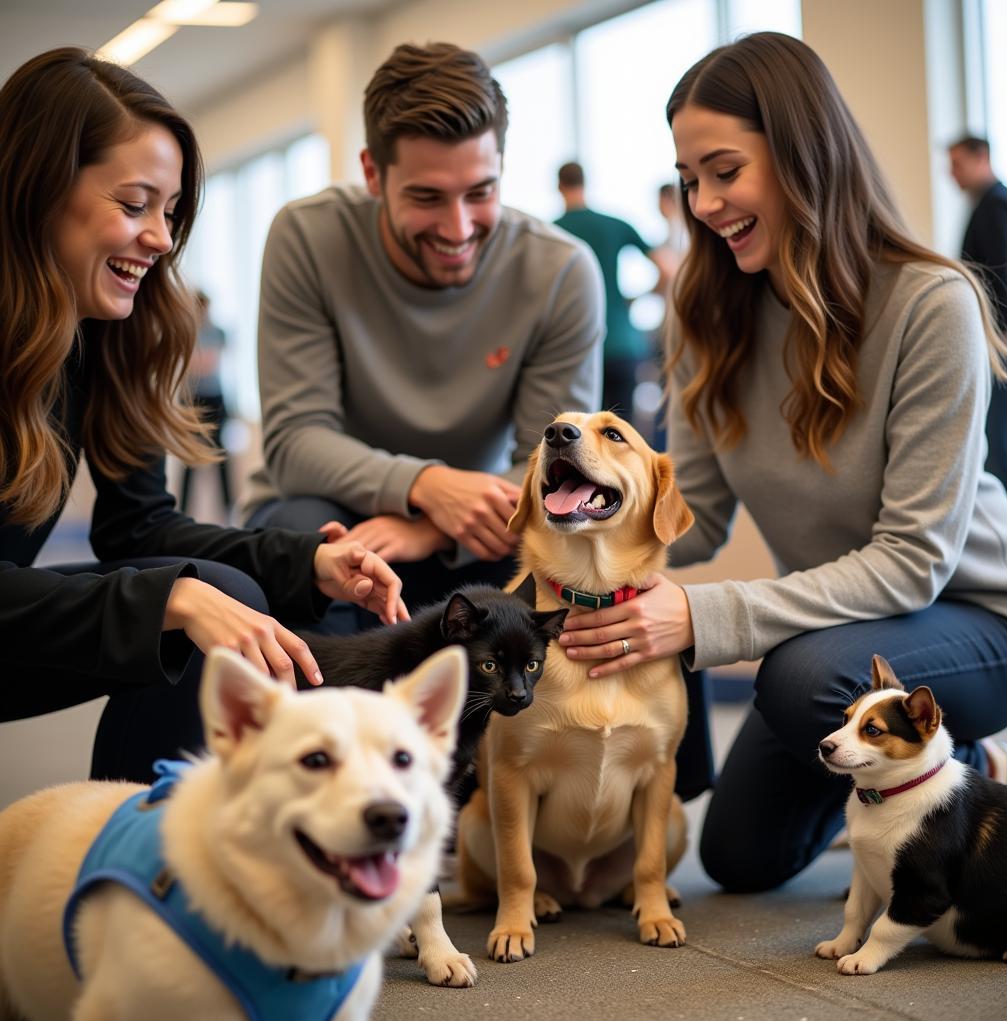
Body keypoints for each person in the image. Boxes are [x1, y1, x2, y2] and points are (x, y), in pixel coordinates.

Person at [554, 32, 1007, 892]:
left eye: (725, 171)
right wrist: (569, 550)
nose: (702, 202)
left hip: (978, 620)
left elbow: (914, 561)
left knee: (803, 676)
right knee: (740, 859)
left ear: (803, 154)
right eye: (691, 179)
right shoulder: (707, 315)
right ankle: (935, 781)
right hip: (842, 635)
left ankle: (960, 765)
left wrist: (699, 618)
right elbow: (686, 514)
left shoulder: (932, 303)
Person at [0, 48, 406, 784]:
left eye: (170, 210)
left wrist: (307, 562)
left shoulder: (99, 339)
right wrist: (170, 597)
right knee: (187, 599)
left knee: (221, 599)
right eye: (134, 204)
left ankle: (149, 866)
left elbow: (141, 526)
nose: (160, 236)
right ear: (37, 191)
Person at [241, 43, 603, 625]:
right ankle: (336, 715)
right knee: (307, 529)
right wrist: (425, 484)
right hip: (338, 518)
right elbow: (295, 442)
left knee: (580, 551)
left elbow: (553, 470)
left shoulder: (560, 271)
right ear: (372, 174)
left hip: (479, 526)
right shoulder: (306, 237)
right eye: (427, 197)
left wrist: (428, 527)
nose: (458, 228)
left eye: (480, 193)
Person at [948, 135, 1007, 524]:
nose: (952, 174)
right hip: (1005, 343)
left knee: (1005, 449)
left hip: (1006, 346)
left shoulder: (997, 206)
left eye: (957, 164)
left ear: (982, 158)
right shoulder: (992, 203)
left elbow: (1003, 271)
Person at [554, 161, 657, 423]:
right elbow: (668, 269)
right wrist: (634, 299)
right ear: (585, 184)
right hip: (622, 345)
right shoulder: (615, 224)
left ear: (559, 187)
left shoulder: (552, 233)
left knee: (582, 443)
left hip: (576, 352)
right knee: (622, 438)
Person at [179, 289, 232, 517]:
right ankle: (183, 510)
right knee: (190, 457)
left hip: (215, 400)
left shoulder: (218, 332)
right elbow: (192, 365)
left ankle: (228, 509)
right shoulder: (186, 332)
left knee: (221, 456)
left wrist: (199, 362)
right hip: (192, 401)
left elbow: (208, 364)